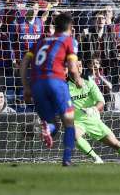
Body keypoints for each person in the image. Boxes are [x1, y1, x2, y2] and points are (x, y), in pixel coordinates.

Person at [18, 13, 82, 166]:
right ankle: (67, 160)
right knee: (69, 122)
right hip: (56, 82)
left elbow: (24, 62)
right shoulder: (68, 41)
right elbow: (73, 68)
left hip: (36, 85)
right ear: (70, 27)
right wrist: (78, 79)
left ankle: (48, 127)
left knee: (53, 125)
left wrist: (26, 87)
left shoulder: (41, 41)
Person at [68, 66, 120, 164]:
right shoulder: (64, 84)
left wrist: (93, 109)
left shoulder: (89, 81)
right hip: (78, 121)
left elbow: (101, 101)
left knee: (115, 144)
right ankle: (96, 158)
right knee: (72, 135)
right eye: (77, 66)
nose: (80, 68)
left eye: (81, 66)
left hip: (93, 120)